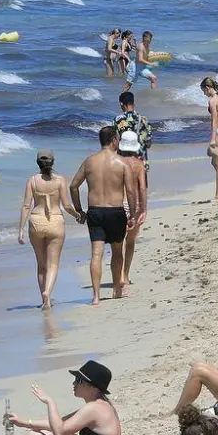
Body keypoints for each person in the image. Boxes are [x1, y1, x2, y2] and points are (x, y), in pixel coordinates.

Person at [69, 125, 141, 306]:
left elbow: (73, 186)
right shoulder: (122, 163)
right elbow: (131, 191)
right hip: (115, 212)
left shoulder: (89, 161)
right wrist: (132, 214)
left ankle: (95, 296)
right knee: (117, 252)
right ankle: (117, 289)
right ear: (114, 140)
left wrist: (79, 210)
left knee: (96, 254)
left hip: (95, 212)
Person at [17, 150, 78, 310]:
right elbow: (66, 205)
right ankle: (47, 292)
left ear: (37, 162)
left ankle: (46, 300)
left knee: (41, 264)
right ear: (53, 162)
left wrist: (21, 230)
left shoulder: (32, 181)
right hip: (55, 221)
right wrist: (78, 215)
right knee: (53, 264)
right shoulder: (60, 180)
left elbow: (26, 205)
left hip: (36, 221)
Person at [116, 129, 149, 291]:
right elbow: (142, 188)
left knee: (118, 242)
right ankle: (125, 275)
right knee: (130, 242)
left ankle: (117, 275)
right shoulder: (139, 164)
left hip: (117, 203)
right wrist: (143, 208)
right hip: (133, 204)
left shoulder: (116, 162)